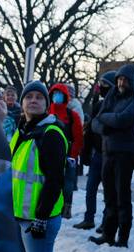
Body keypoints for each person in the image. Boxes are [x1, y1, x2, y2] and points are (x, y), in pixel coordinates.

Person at [10, 80, 69, 252]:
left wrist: (41, 217)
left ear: (47, 104)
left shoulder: (51, 134)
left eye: (39, 98)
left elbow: (55, 181)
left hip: (38, 218)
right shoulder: (21, 131)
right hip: (20, 215)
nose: (33, 101)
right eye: (29, 97)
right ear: (22, 104)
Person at [89, 62, 134, 247]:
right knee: (109, 196)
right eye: (119, 79)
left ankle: (123, 237)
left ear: (132, 81)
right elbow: (95, 122)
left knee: (122, 197)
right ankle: (108, 234)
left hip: (125, 154)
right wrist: (107, 123)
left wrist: (106, 119)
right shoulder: (111, 96)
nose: (121, 83)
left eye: (125, 79)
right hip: (107, 152)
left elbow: (123, 119)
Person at [74, 72, 115, 230]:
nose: (100, 88)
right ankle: (89, 218)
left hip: (110, 154)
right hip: (97, 154)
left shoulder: (115, 106)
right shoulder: (98, 105)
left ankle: (106, 222)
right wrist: (85, 154)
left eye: (104, 85)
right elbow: (90, 130)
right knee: (90, 188)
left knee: (108, 192)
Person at [48, 82, 84, 219]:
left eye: (60, 94)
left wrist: (73, 155)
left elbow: (78, 137)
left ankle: (66, 207)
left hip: (68, 155)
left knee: (68, 183)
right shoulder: (46, 112)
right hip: (49, 154)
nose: (57, 97)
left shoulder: (72, 115)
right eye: (55, 94)